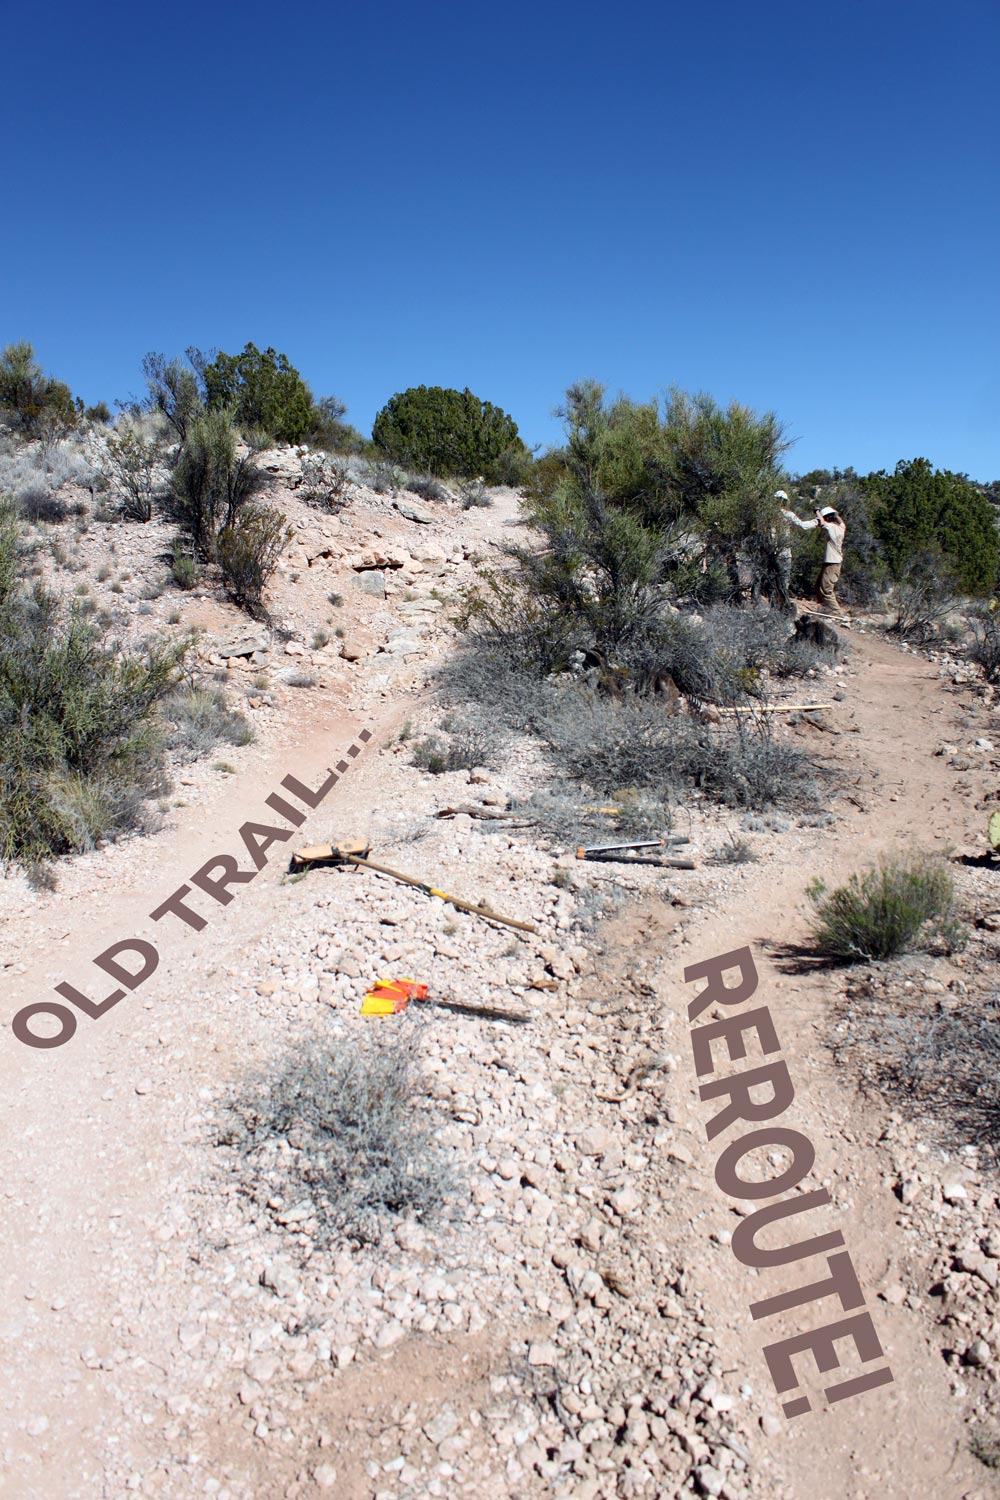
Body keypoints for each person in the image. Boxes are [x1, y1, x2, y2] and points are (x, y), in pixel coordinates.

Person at [780, 499, 847, 612]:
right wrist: (836, 515)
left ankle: (836, 612)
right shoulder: (841, 527)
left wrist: (817, 512)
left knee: (826, 589)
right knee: (818, 587)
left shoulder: (831, 527)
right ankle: (825, 609)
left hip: (832, 563)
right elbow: (840, 522)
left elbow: (822, 522)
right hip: (833, 562)